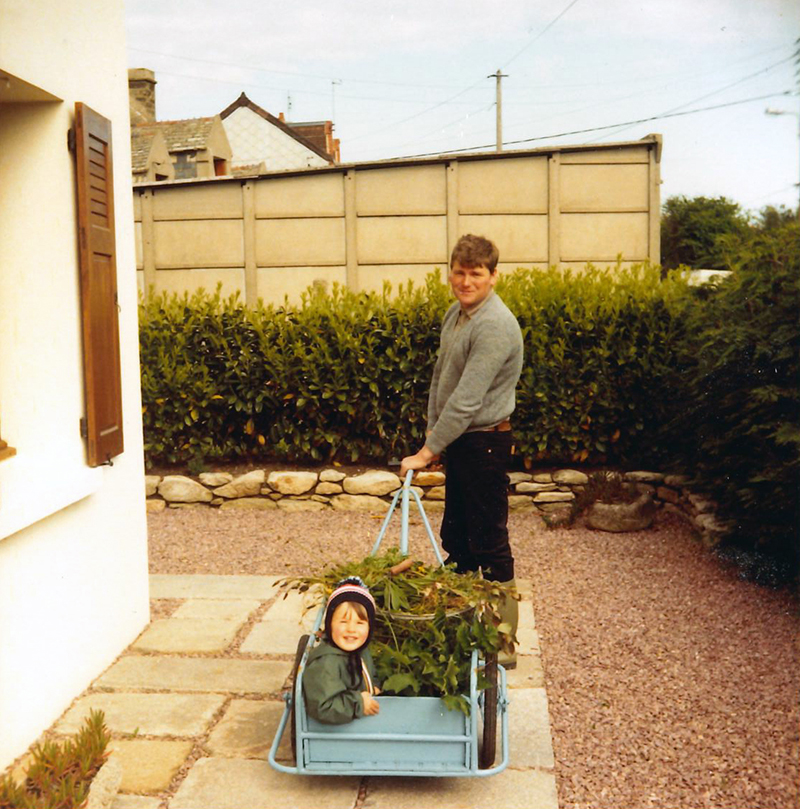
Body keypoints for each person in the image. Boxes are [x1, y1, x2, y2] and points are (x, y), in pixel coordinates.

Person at [400, 234, 523, 664]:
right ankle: (465, 627)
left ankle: (502, 645)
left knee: (488, 541)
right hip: (463, 442)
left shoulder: (494, 325)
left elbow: (468, 399)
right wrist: (433, 440)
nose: (465, 281)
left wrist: (428, 449)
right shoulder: (457, 314)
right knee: (458, 538)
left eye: (476, 274)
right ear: (450, 272)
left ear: (493, 276)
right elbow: (442, 382)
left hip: (485, 442)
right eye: (459, 272)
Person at [302, 577, 381, 724]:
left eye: (360, 623)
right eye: (343, 622)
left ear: (369, 628)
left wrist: (374, 687)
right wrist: (358, 704)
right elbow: (323, 706)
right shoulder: (326, 663)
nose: (351, 629)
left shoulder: (360, 650)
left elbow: (370, 674)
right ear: (330, 624)